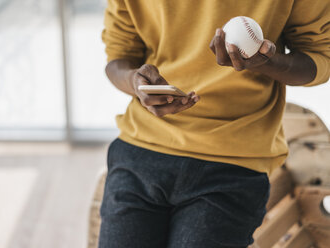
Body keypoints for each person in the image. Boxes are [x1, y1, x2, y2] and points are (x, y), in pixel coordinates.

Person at [98, 0, 330, 247]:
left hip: (232, 163)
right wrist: (136, 82)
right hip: (140, 151)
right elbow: (118, 59)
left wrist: (267, 63)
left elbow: (320, 58)